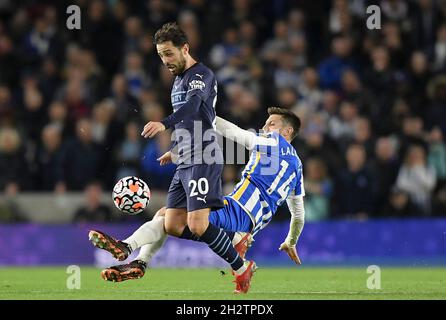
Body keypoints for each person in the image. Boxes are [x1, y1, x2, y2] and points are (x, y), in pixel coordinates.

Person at [89, 108, 306, 294]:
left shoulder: (274, 142)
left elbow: (238, 135)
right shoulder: (296, 168)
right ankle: (139, 261)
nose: (265, 127)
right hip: (245, 219)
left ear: (286, 131)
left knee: (172, 219)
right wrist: (291, 241)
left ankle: (128, 246)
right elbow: (298, 215)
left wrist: (206, 113)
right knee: (167, 214)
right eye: (266, 123)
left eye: (271, 124)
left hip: (237, 211)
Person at [137, 22, 253, 290]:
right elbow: (192, 122)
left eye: (168, 53)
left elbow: (193, 106)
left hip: (204, 154)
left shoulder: (201, 74)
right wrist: (176, 150)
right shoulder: (177, 81)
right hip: (187, 155)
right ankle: (235, 238)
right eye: (160, 55)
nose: (165, 60)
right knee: (174, 224)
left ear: (184, 48)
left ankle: (241, 267)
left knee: (198, 225)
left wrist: (164, 124)